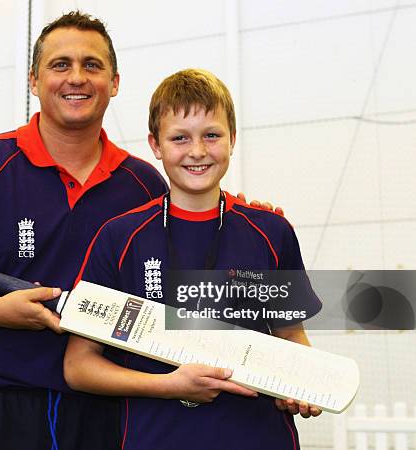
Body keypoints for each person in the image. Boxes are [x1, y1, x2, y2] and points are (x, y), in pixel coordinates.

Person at [0, 11, 279, 450]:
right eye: (60, 64)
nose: (77, 78)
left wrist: (247, 219)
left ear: (115, 81)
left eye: (92, 65)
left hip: (107, 412)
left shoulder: (143, 183)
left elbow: (187, 269)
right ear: (33, 80)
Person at [64, 69, 322, 450]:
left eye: (212, 135)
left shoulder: (270, 232)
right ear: (156, 144)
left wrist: (302, 382)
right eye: (180, 137)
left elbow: (290, 335)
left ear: (232, 139)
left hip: (259, 437)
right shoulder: (119, 238)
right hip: (154, 438)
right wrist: (168, 385)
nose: (197, 151)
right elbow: (79, 366)